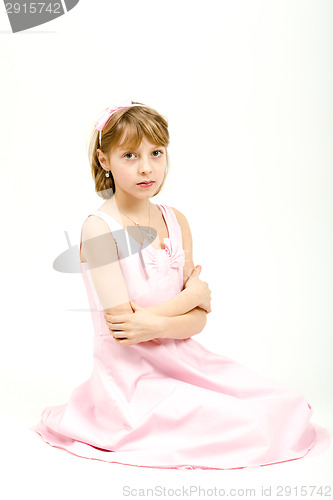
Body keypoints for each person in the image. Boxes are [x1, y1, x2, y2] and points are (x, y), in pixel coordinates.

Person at [31, 100, 330, 470]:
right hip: (132, 381)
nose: (146, 167)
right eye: (129, 155)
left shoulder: (176, 221)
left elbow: (197, 320)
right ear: (104, 160)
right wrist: (189, 297)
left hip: (188, 361)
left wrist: (166, 318)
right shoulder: (99, 229)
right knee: (248, 425)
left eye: (156, 153)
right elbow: (125, 329)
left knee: (285, 405)